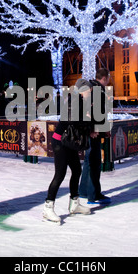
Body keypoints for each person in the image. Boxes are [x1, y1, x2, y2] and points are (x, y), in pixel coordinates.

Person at [43, 78, 96, 223]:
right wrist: (89, 120)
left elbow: (80, 122)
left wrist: (90, 128)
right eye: (89, 90)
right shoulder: (74, 100)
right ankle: (48, 207)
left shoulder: (81, 102)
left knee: (77, 170)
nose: (90, 93)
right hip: (60, 140)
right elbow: (74, 120)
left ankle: (74, 204)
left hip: (69, 141)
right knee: (60, 174)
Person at [79, 68, 112, 205]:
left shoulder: (93, 87)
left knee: (89, 160)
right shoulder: (97, 89)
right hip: (93, 132)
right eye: (109, 77)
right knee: (94, 161)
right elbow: (92, 111)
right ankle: (93, 195)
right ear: (105, 77)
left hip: (92, 130)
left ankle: (84, 192)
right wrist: (93, 129)